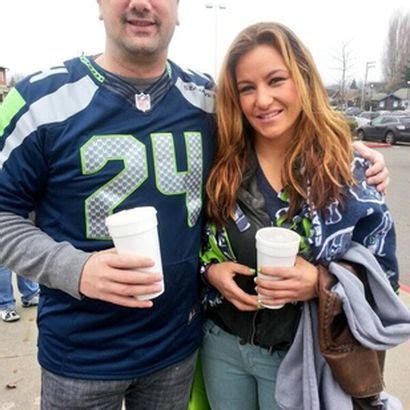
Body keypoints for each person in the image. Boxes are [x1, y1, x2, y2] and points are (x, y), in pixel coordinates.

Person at [0, 1, 388, 408]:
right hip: (79, 357)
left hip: (177, 350)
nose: (140, 4)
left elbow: (277, 127)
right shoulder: (39, 98)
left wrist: (349, 155)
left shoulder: (208, 101)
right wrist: (76, 269)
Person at [199, 22, 399, 410]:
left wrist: (322, 283)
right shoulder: (221, 161)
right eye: (247, 88)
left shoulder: (347, 171)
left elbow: (384, 275)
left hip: (302, 357)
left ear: (302, 80)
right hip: (221, 346)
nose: (262, 99)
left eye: (276, 80)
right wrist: (209, 272)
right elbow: (193, 238)